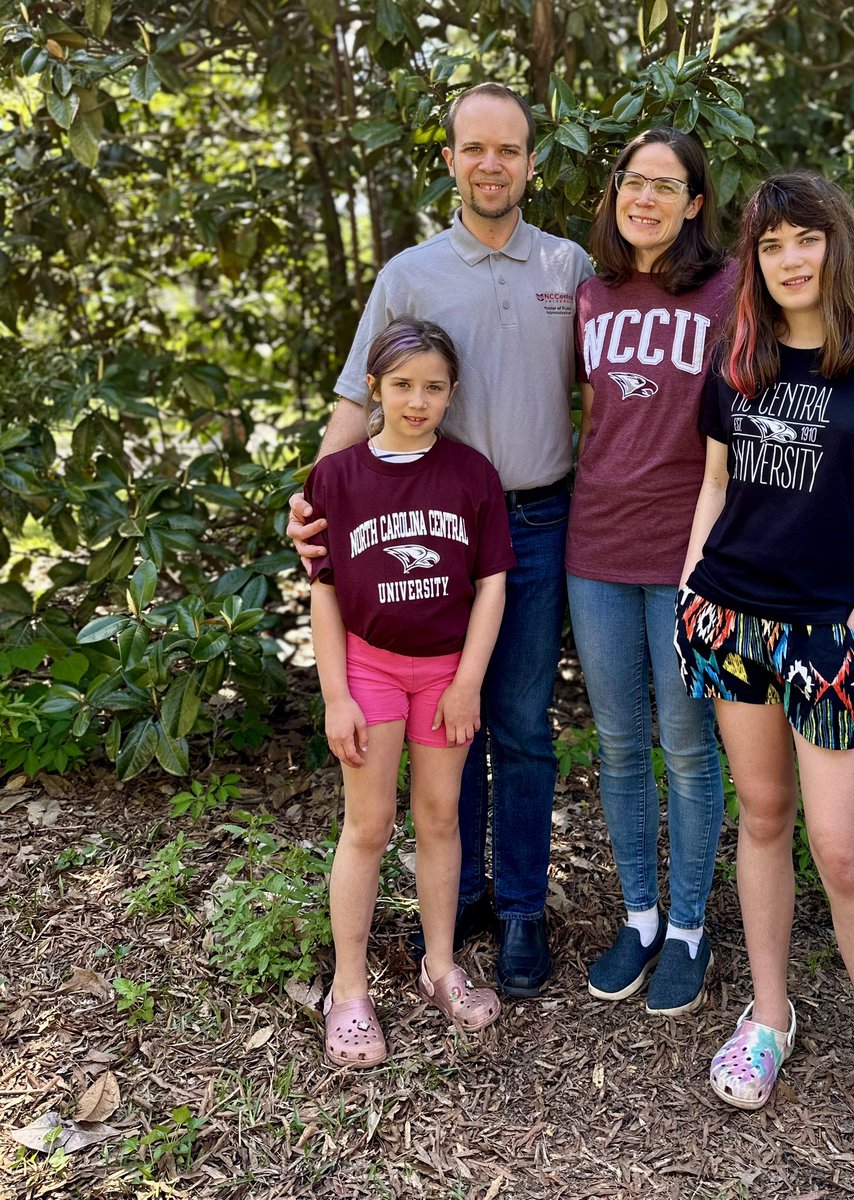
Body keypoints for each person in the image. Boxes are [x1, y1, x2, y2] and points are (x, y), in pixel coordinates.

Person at [675, 173, 854, 1171]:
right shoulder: (739, 355)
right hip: (733, 622)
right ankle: (770, 1015)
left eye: (808, 240)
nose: (791, 259)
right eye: (773, 245)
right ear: (754, 260)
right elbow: (714, 484)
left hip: (832, 637)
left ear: (839, 247)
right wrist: (689, 590)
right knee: (761, 818)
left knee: (841, 849)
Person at [289, 84, 593, 997]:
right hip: (424, 525)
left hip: (535, 521)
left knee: (518, 723)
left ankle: (522, 908)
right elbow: (358, 397)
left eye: (509, 149)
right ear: (452, 159)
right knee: (440, 726)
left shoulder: (570, 267)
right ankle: (450, 903)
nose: (491, 164)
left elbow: (621, 389)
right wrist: (310, 505)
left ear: (532, 162)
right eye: (474, 149)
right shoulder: (411, 276)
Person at [307, 317, 514, 1064]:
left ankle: (440, 967)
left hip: (445, 672)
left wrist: (467, 683)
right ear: (374, 388)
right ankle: (351, 990)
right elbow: (323, 592)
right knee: (369, 823)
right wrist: (337, 695)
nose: (417, 400)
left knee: (438, 816)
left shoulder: (470, 475)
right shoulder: (338, 476)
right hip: (369, 667)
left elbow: (491, 585)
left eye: (432, 387)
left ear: (452, 393)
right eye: (402, 386)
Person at [568, 128, 732, 1016]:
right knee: (621, 744)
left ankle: (689, 929)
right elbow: (596, 418)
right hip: (594, 549)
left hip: (688, 553)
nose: (647, 199)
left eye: (667, 187)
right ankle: (638, 915)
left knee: (685, 743)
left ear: (695, 203)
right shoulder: (591, 292)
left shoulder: (729, 288)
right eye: (634, 182)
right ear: (616, 193)